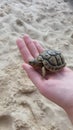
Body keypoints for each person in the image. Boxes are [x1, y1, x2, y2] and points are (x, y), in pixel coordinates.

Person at [16, 34, 73, 124]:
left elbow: (43, 68)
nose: (31, 63)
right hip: (48, 56)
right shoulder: (37, 61)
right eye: (31, 62)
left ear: (35, 63)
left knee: (43, 67)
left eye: (32, 63)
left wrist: (43, 76)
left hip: (55, 59)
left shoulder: (42, 66)